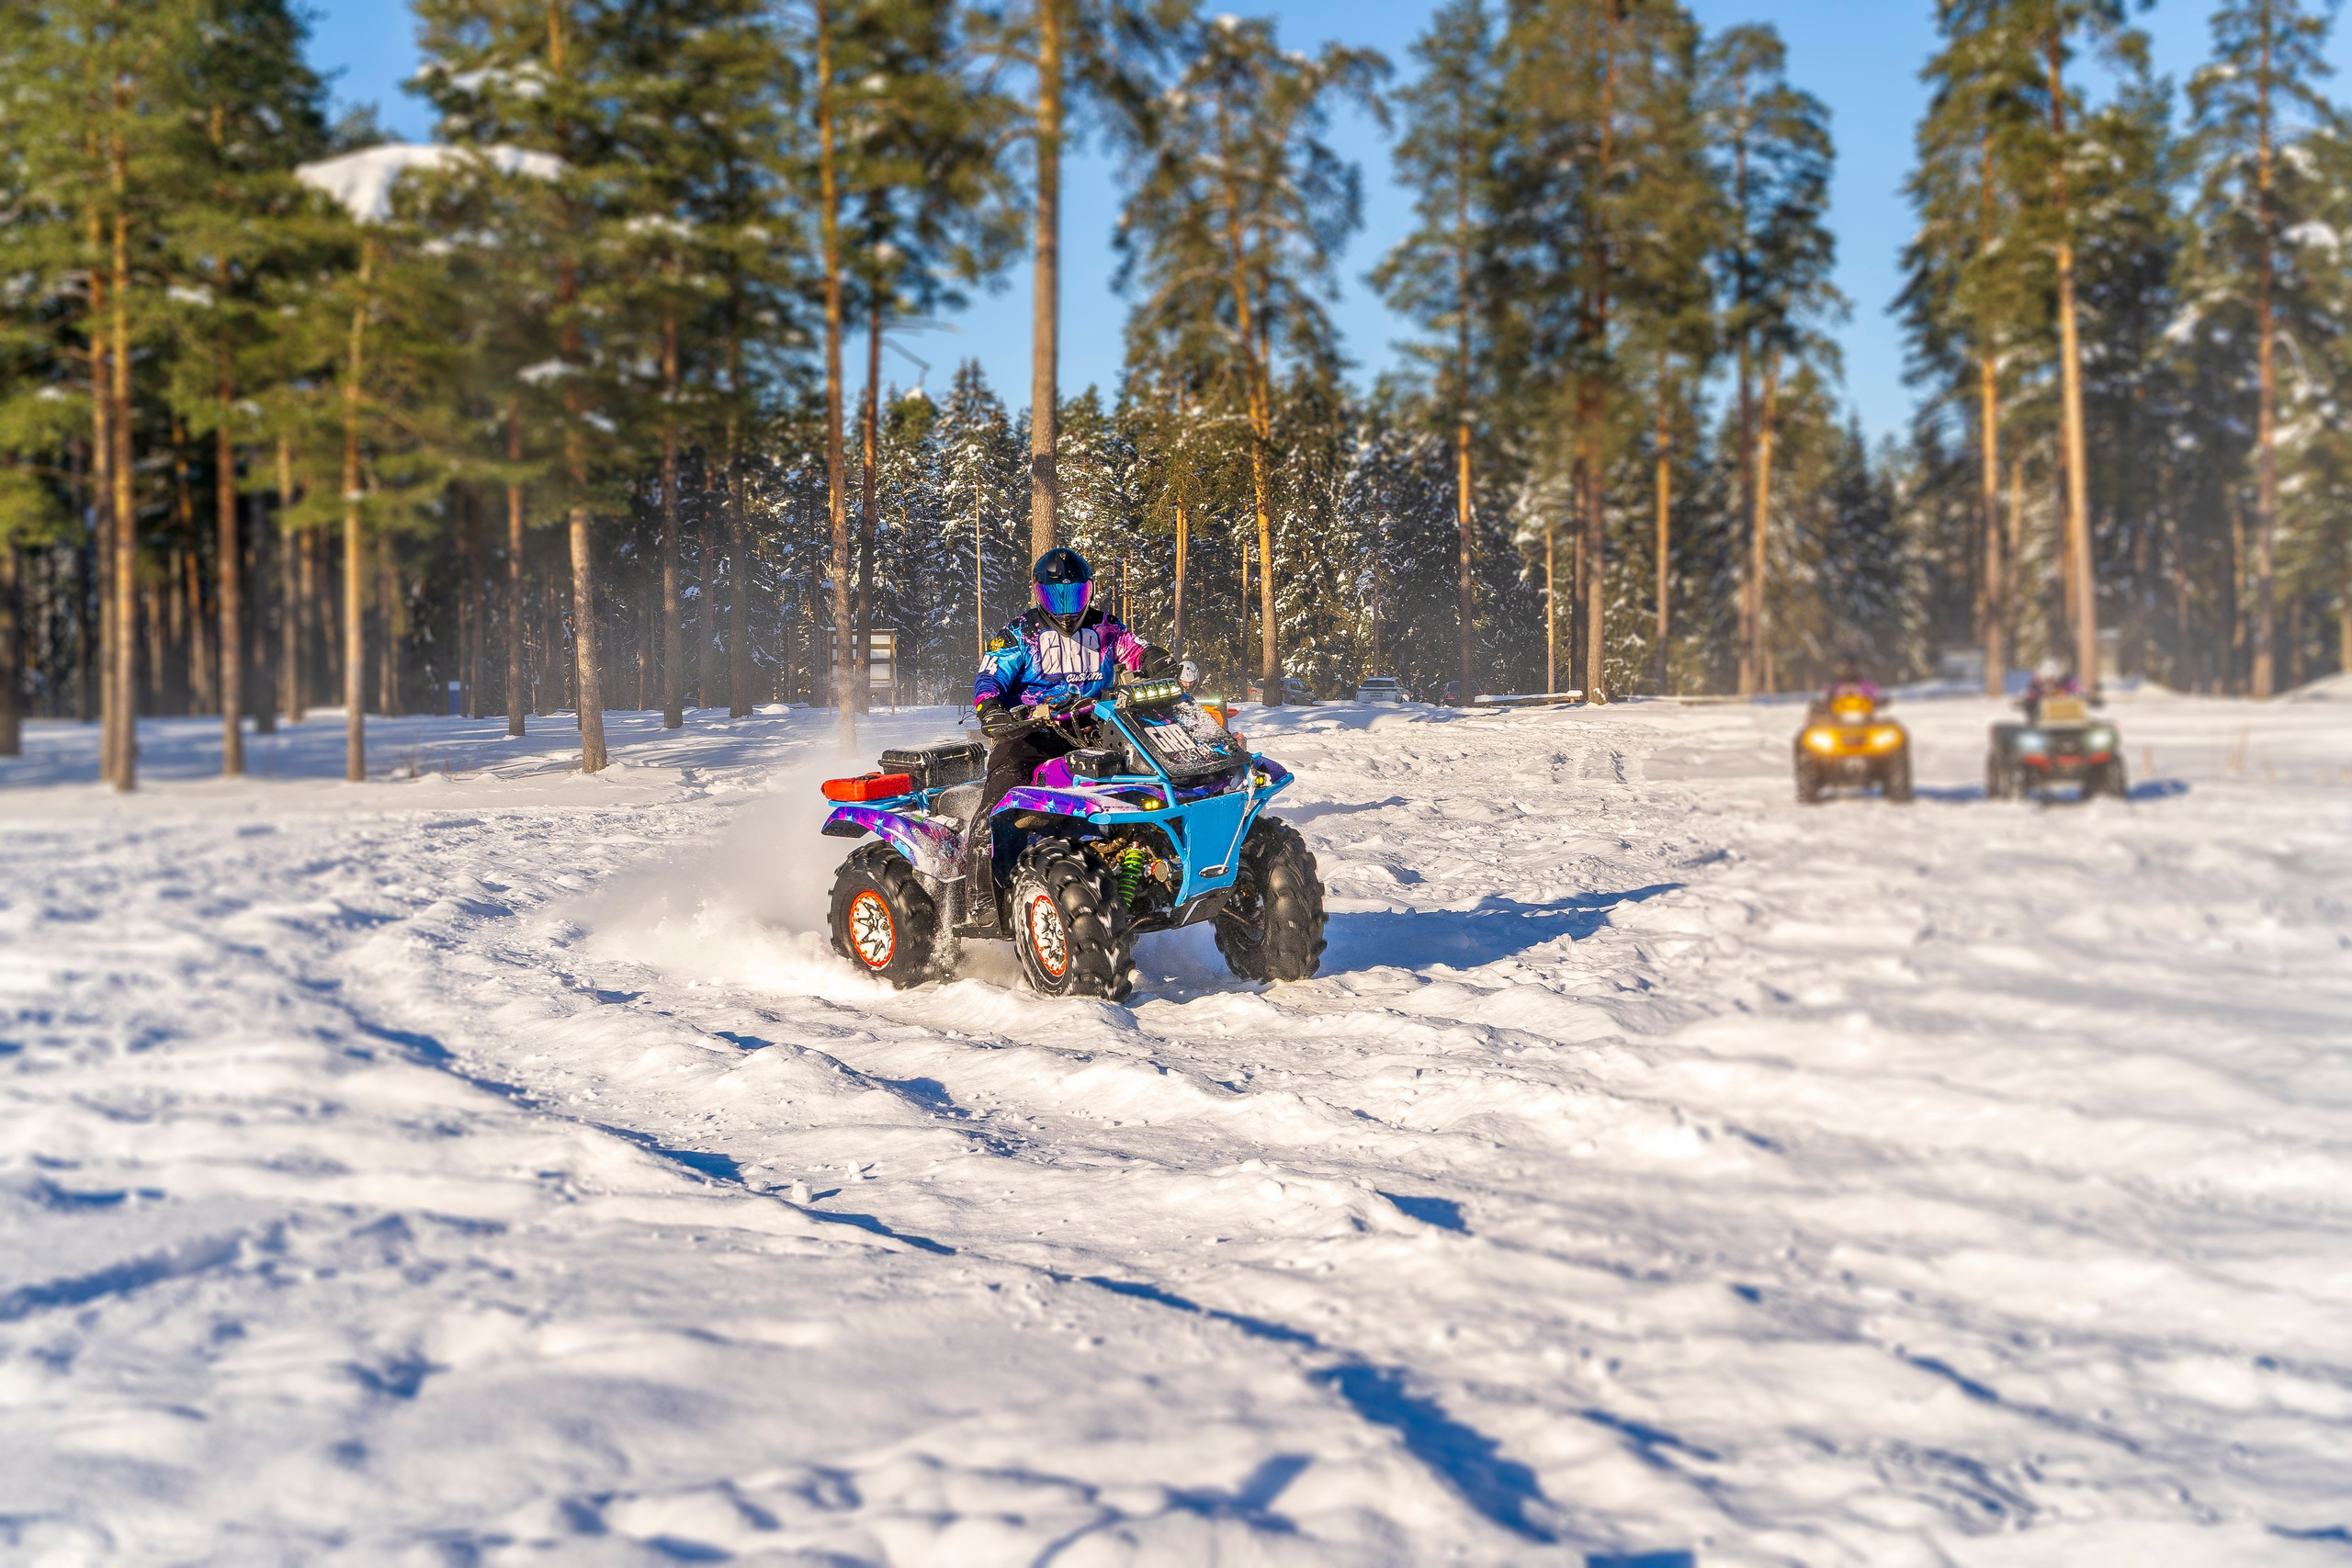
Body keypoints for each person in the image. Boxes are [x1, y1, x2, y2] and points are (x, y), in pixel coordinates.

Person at [967, 547, 1176, 897]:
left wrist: (1158, 660)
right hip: (1031, 736)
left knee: (1155, 785)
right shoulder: (1019, 633)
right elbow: (989, 678)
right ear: (1038, 593)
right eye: (1056, 595)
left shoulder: (1106, 627)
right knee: (995, 812)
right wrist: (991, 710)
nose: (1066, 605)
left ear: (1089, 590)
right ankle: (980, 897)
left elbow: (1136, 649)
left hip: (1099, 731)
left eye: (1074, 593)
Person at [2019, 656, 2086, 724]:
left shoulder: (2066, 682)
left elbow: (2078, 689)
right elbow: (2026, 695)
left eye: (2053, 681)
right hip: (2042, 721)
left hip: (2067, 720)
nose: (2049, 686)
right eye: (2046, 681)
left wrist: (2078, 694)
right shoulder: (2035, 686)